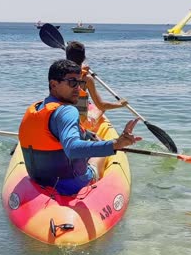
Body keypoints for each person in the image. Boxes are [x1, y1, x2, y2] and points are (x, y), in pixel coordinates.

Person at [18, 59, 142, 196]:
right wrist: (116, 144)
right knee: (101, 152)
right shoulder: (68, 111)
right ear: (53, 84)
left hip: (38, 180)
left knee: (89, 142)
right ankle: (96, 172)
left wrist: (86, 133)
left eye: (80, 82)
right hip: (70, 184)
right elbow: (72, 149)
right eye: (72, 82)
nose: (78, 88)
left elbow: (52, 131)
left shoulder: (37, 108)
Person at [65, 40, 128, 129]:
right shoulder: (86, 79)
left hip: (63, 119)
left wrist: (80, 69)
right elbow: (101, 105)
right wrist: (120, 104)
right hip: (80, 124)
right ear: (83, 58)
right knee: (102, 109)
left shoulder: (60, 73)